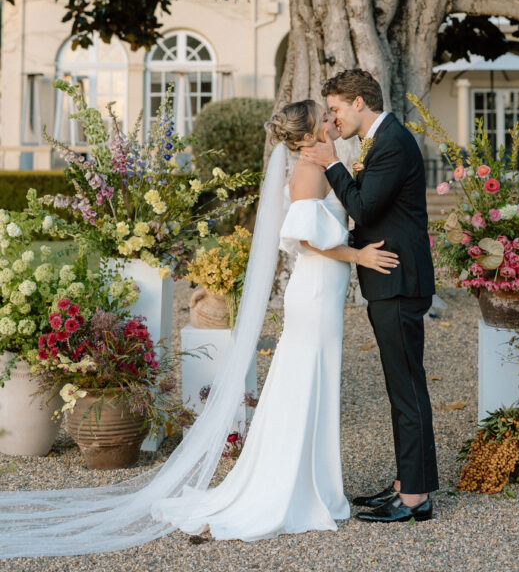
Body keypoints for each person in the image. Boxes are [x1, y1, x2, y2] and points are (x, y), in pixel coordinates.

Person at [0, 99, 398, 556]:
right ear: (308, 134)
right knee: (304, 380)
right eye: (323, 117)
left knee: (311, 380)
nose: (332, 120)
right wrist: (359, 255)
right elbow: (306, 239)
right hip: (315, 291)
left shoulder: (319, 164)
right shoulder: (309, 172)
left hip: (322, 291)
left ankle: (313, 484)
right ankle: (293, 489)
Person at [302, 69, 438, 524]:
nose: (335, 118)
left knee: (406, 388)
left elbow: (362, 207)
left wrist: (331, 162)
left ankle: (416, 497)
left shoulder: (393, 142)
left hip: (398, 280)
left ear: (359, 102)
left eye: (337, 108)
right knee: (399, 386)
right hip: (388, 278)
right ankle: (405, 483)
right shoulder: (381, 142)